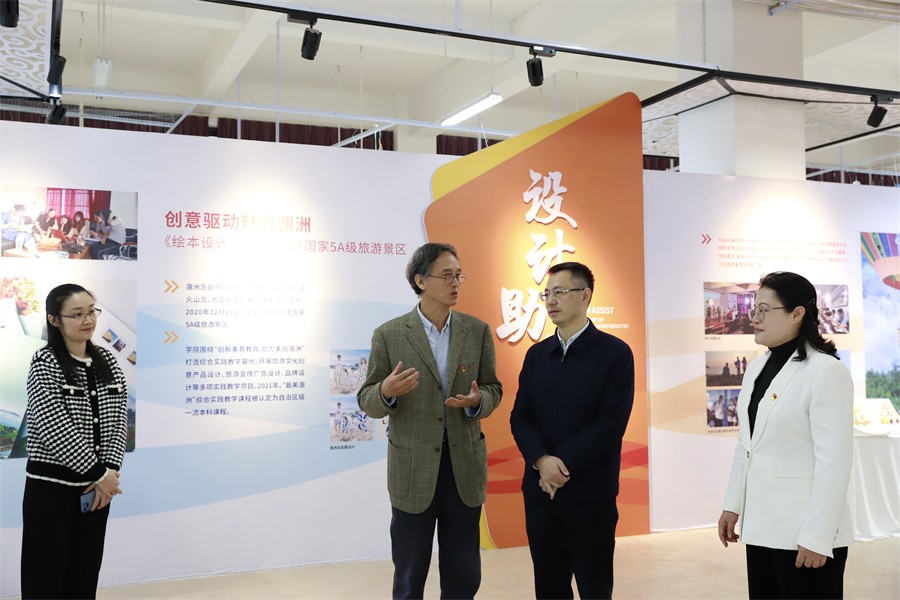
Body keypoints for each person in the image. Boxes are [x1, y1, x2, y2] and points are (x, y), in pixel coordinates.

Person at [357, 242, 502, 599]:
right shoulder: (389, 334)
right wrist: (386, 391)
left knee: (463, 571)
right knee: (410, 571)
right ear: (420, 281)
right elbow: (367, 400)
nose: (455, 283)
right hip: (412, 469)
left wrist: (477, 401)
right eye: (446, 275)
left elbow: (493, 388)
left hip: (463, 466)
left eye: (459, 275)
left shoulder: (477, 331)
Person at [718, 271, 853, 599]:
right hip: (762, 526)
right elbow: (747, 445)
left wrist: (818, 535)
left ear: (797, 314)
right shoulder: (756, 368)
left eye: (765, 310)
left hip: (804, 534)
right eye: (754, 309)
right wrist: (733, 504)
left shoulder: (826, 371)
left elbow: (834, 462)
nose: (754, 318)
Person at [510, 261, 634, 599]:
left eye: (560, 292)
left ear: (585, 295)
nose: (551, 300)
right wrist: (541, 460)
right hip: (541, 492)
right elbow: (521, 417)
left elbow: (610, 424)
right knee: (549, 587)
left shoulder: (614, 354)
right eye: (547, 293)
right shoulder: (537, 355)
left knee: (595, 587)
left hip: (590, 493)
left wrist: (560, 464)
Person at [21, 283, 128, 599]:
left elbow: (117, 421)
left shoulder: (108, 361)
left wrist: (108, 472)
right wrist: (99, 474)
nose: (88, 320)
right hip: (51, 489)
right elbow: (53, 426)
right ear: (54, 319)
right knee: (44, 575)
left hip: (96, 491)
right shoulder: (45, 362)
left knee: (85, 571)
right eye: (77, 314)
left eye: (91, 312)